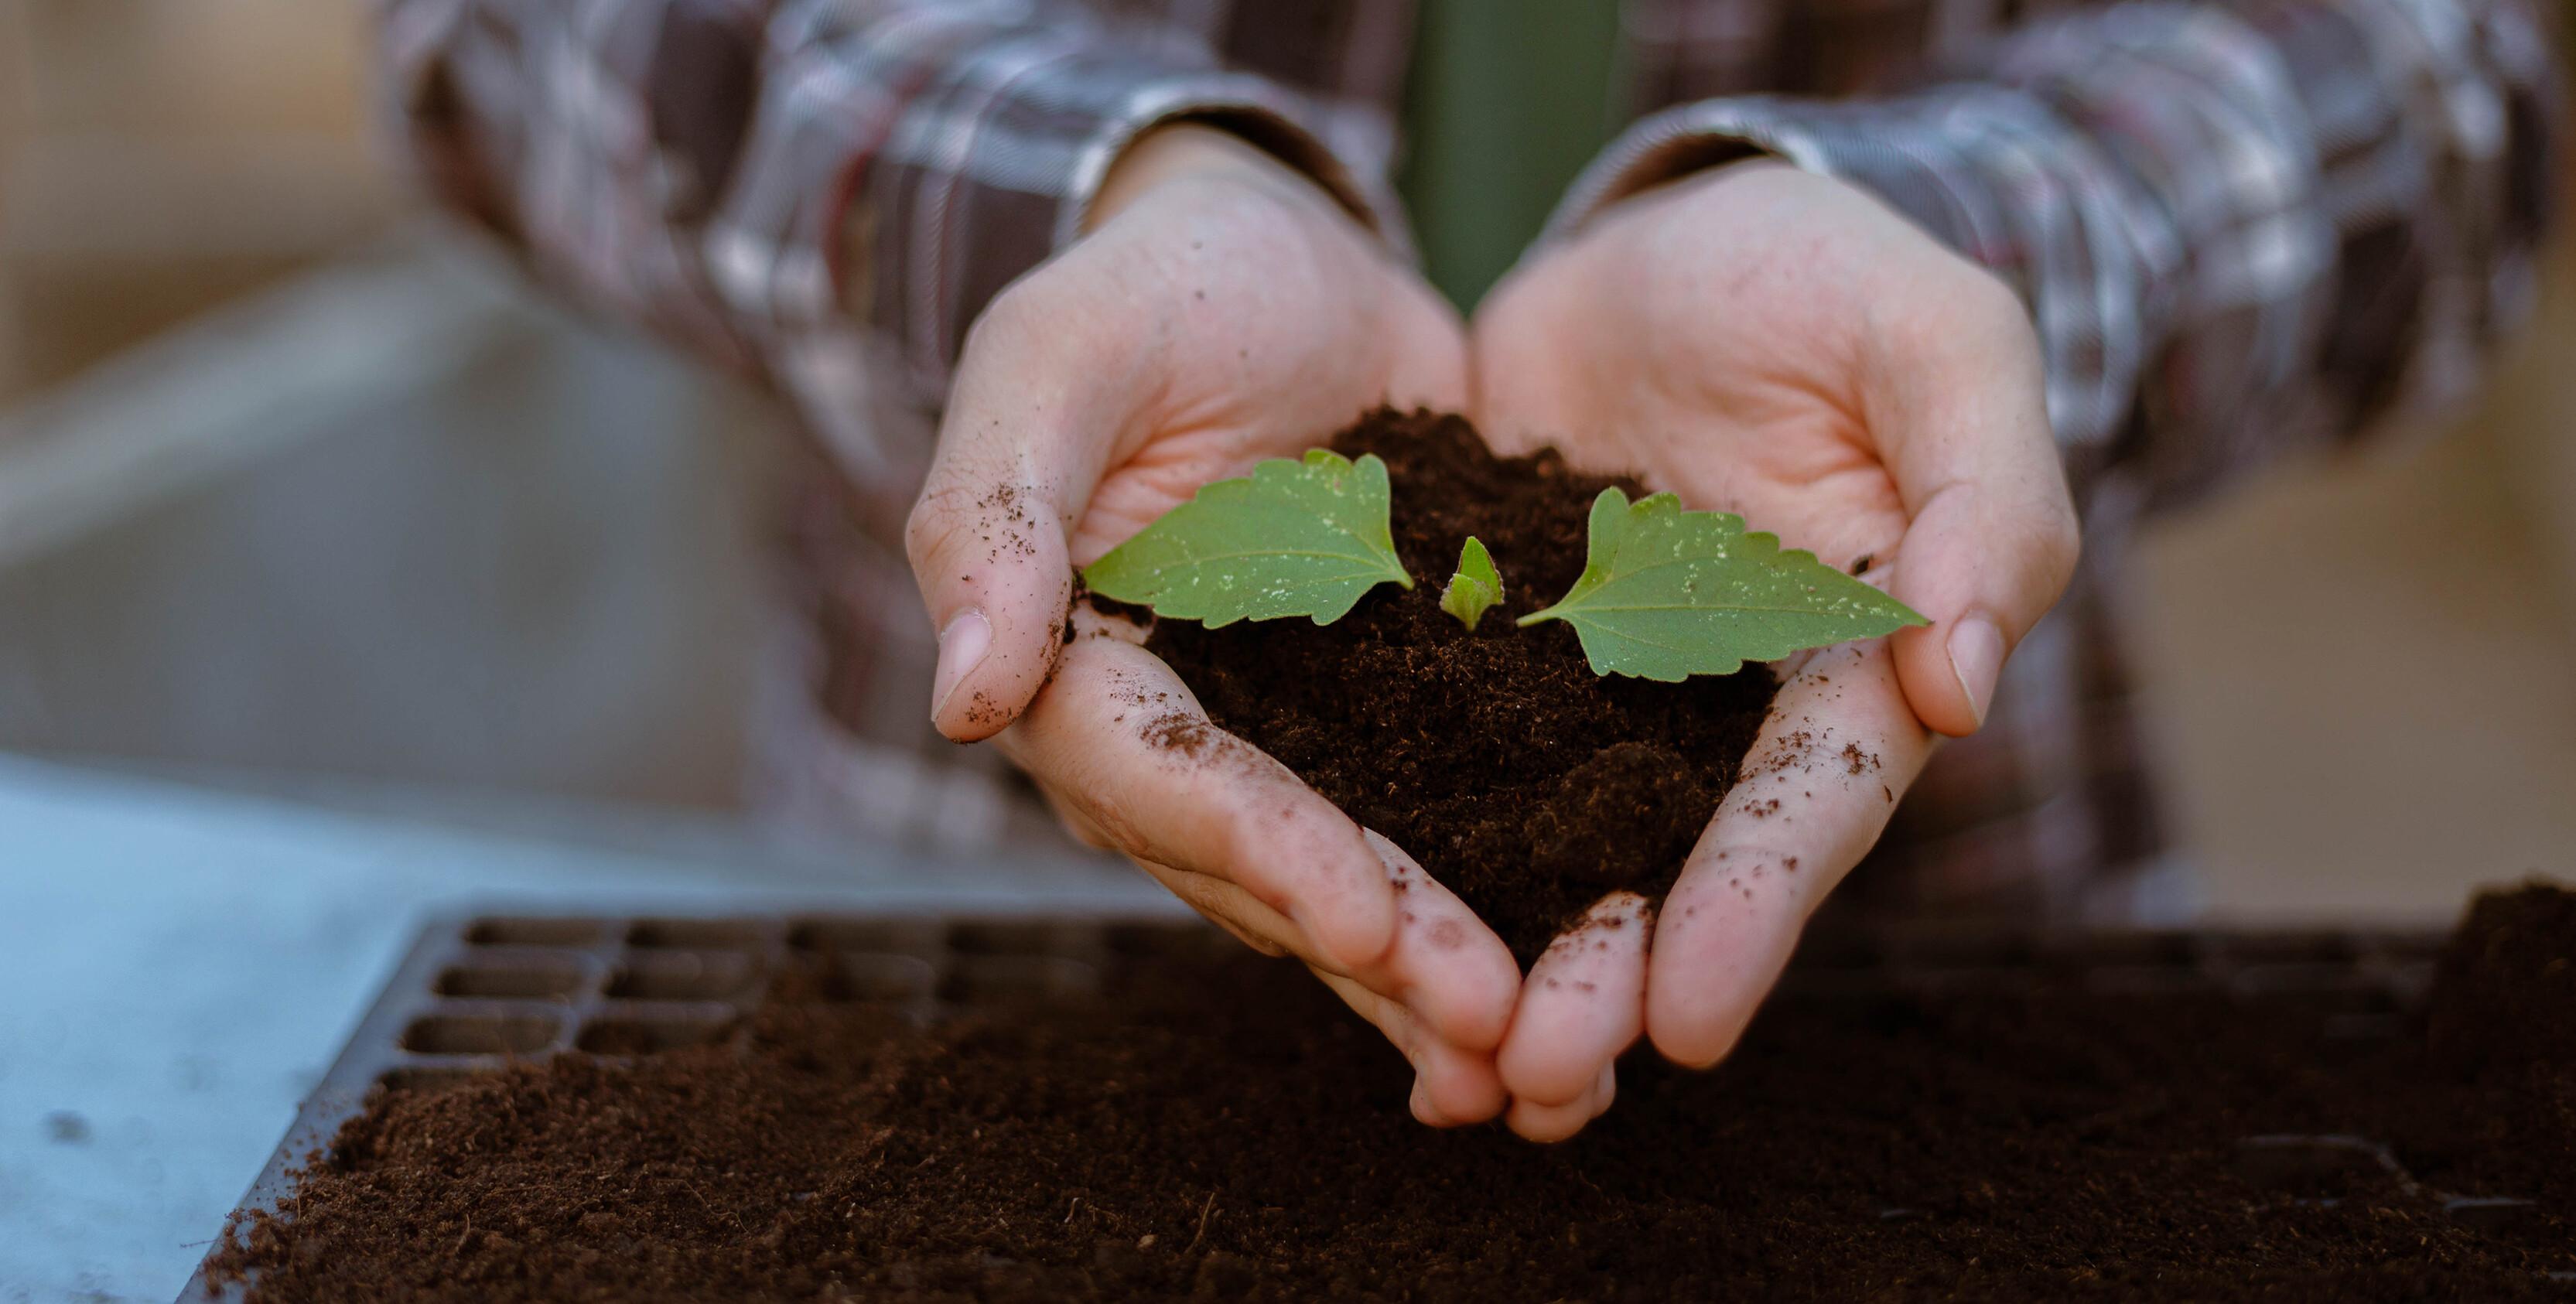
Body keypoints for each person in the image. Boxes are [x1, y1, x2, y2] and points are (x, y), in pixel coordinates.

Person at [374, 0, 2559, 1140]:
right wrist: (1096, 191)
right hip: (983, 945)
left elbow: (2447, 67)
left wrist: (1968, 253)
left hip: (1941, 955)